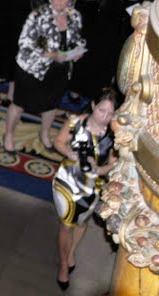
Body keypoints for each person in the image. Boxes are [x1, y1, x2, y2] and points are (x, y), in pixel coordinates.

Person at [4, 0, 86, 153]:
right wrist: (50, 55)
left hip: (60, 71)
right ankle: (9, 134)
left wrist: (78, 51)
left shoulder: (75, 16)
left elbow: (78, 39)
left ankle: (45, 134)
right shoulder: (38, 15)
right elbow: (24, 43)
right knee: (19, 103)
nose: (59, 0)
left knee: (51, 105)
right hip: (32, 68)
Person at [52, 89, 118, 290]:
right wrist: (69, 152)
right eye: (101, 110)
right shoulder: (75, 123)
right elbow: (58, 142)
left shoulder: (115, 134)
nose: (105, 117)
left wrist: (100, 169)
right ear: (92, 106)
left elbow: (113, 164)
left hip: (93, 186)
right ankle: (64, 265)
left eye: (110, 113)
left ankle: (71, 252)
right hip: (67, 182)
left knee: (81, 223)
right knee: (67, 224)